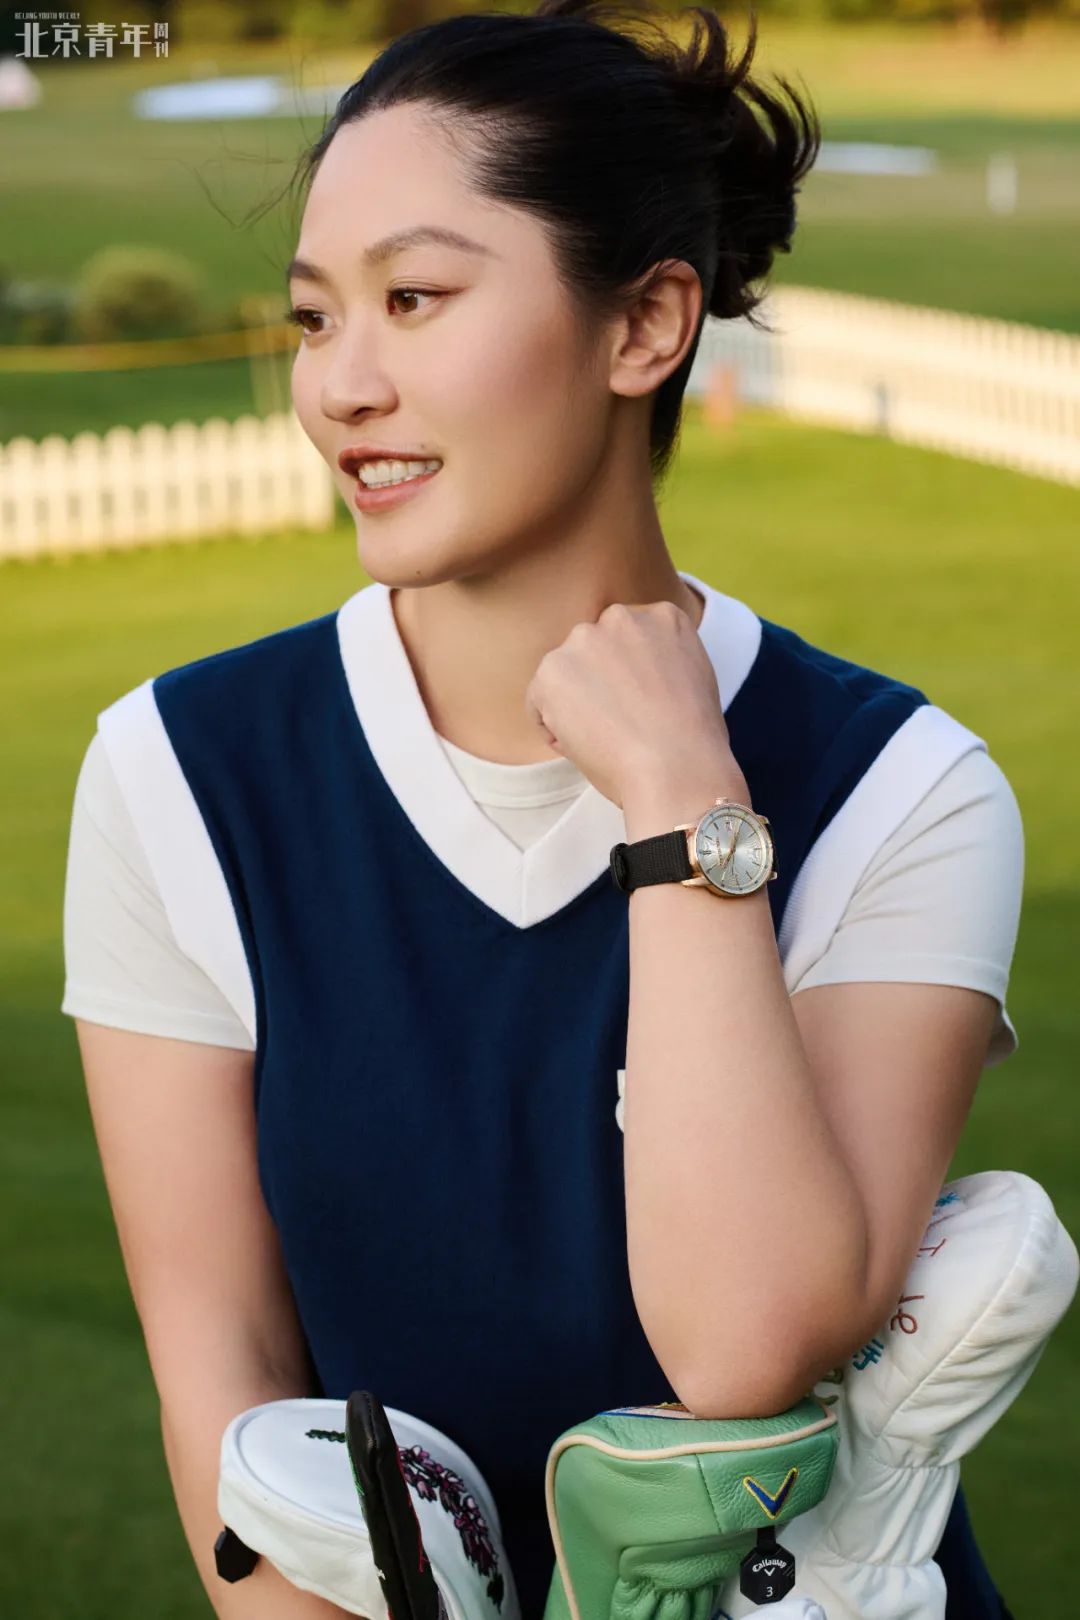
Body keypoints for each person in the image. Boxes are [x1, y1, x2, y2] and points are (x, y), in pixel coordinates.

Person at [61, 3, 1024, 1617]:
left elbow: (744, 1339)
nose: (340, 385)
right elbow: (225, 1386)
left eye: (414, 300)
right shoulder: (179, 773)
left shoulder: (903, 789)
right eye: (314, 317)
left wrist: (685, 812)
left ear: (645, 324)